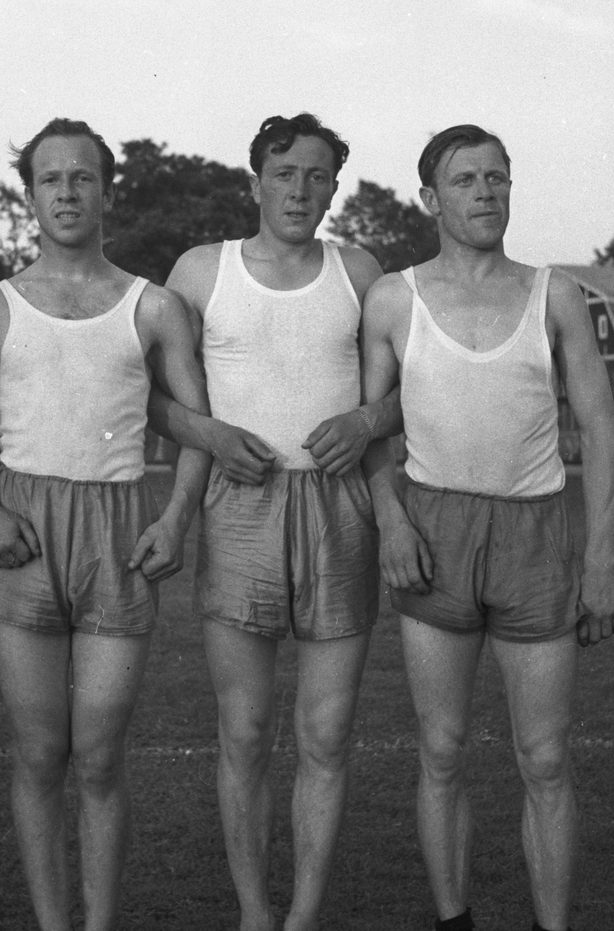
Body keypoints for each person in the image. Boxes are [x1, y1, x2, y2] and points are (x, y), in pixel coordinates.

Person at [0, 117, 211, 931]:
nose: (66, 191)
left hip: (118, 530)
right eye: (49, 178)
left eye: (82, 176)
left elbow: (196, 427)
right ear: (29, 195)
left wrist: (176, 519)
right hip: (23, 531)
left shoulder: (153, 307)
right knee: (39, 754)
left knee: (100, 757)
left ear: (105, 190)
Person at [361, 125, 614, 931]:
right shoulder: (393, 299)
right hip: (432, 533)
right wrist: (392, 525)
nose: (485, 192)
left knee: (543, 757)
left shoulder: (556, 296)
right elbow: (370, 430)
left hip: (533, 538)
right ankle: (454, 920)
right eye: (465, 179)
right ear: (429, 198)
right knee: (441, 750)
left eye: (496, 178)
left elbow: (600, 429)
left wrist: (600, 562)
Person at [151, 113, 400, 931]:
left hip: (339, 509)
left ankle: (302, 918)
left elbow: (407, 389)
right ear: (255, 181)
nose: (300, 190)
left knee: (325, 735)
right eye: (285, 173)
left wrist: (366, 422)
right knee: (246, 731)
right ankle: (255, 915)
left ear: (333, 187)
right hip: (240, 507)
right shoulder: (201, 271)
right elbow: (150, 396)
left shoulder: (359, 272)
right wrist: (210, 435)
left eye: (317, 176)